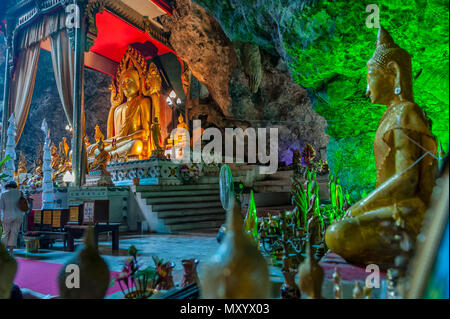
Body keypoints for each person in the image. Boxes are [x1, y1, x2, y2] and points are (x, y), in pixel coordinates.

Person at [0, 181, 25, 254]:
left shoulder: (3, 194)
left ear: (7, 187)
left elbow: (1, 206)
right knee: (14, 233)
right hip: (18, 215)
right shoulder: (20, 193)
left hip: (7, 216)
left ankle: (2, 250)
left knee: (6, 233)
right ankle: (11, 250)